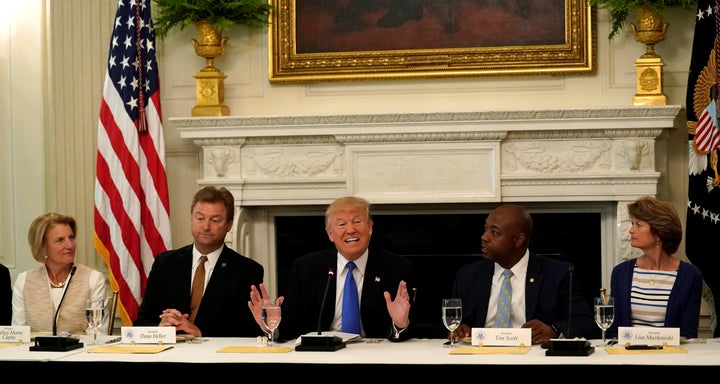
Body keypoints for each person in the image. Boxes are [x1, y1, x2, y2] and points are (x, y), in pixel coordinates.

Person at [249, 196, 416, 342]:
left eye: (357, 221)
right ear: (330, 234)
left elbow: (420, 327)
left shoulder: (397, 268)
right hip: (323, 356)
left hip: (376, 357)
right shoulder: (307, 268)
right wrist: (271, 324)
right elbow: (290, 325)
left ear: (370, 228)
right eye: (342, 224)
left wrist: (400, 324)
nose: (351, 230)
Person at [451, 204, 597, 345]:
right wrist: (458, 329)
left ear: (518, 239)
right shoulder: (468, 275)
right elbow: (449, 322)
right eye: (485, 229)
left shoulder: (558, 274)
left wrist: (554, 330)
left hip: (533, 360)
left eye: (494, 232)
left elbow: (585, 322)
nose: (484, 237)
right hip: (479, 358)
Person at [135, 185, 264, 337]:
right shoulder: (165, 263)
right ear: (191, 219)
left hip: (216, 358)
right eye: (200, 218)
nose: (206, 226)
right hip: (169, 355)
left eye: (215, 220)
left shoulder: (247, 271)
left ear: (229, 225)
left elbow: (248, 331)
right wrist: (162, 327)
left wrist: (199, 332)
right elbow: (141, 322)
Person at [606, 196, 703, 339]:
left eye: (638, 225)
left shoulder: (691, 276)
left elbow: (688, 333)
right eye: (632, 223)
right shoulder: (620, 273)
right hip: (628, 356)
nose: (631, 230)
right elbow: (613, 329)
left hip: (671, 357)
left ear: (659, 233)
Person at [11, 213, 107, 334]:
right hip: (35, 352)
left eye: (71, 238)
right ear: (42, 247)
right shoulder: (24, 280)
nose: (70, 245)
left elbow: (98, 334)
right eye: (60, 240)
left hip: (81, 352)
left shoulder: (94, 279)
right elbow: (18, 335)